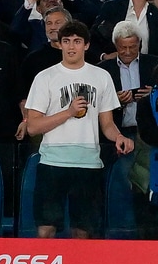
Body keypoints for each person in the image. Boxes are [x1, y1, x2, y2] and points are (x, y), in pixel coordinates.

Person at [21, 19, 131, 238]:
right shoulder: (45, 77)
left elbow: (107, 123)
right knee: (45, 229)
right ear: (60, 44)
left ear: (86, 45)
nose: (71, 46)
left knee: (84, 231)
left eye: (77, 41)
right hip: (53, 163)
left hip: (88, 164)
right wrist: (68, 112)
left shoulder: (101, 77)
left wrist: (119, 136)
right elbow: (32, 127)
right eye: (67, 41)